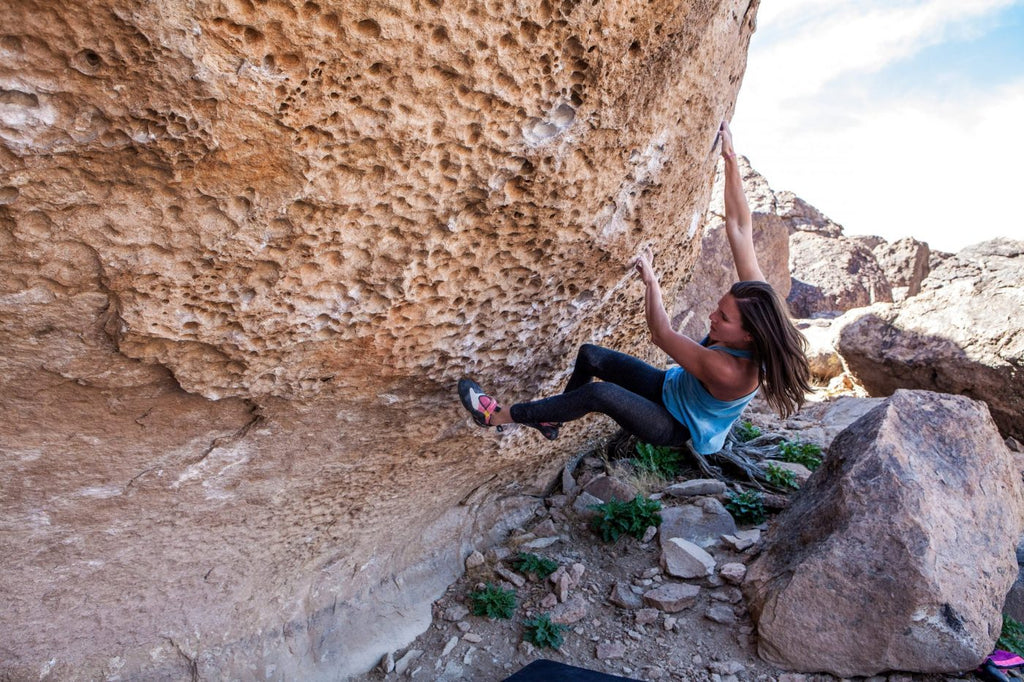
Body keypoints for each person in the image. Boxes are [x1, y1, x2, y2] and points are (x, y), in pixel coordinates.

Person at [458, 121, 811, 455]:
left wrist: (652, 281)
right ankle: (550, 419)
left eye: (723, 318)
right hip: (671, 388)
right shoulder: (757, 301)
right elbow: (738, 226)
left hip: (672, 423)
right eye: (719, 307)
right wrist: (730, 159)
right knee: (590, 356)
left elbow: (661, 333)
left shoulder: (730, 371)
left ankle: (497, 416)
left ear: (748, 336)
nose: (712, 316)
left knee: (600, 394)